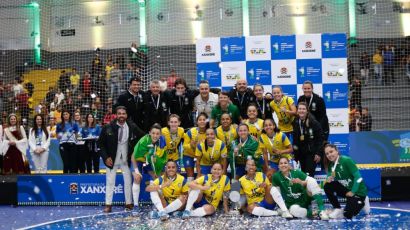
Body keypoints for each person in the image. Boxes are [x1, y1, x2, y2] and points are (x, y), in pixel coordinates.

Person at [98, 106, 144, 213]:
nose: (121, 116)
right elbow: (100, 144)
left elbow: (143, 137)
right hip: (111, 159)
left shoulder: (132, 126)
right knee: (110, 182)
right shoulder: (108, 127)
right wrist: (105, 157)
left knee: (128, 181)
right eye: (119, 113)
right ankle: (108, 205)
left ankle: (128, 203)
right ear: (116, 115)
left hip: (126, 159)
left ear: (126, 115)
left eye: (123, 113)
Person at [323, 144, 370, 219]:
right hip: (347, 190)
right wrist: (328, 178)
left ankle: (364, 200)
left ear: (337, 151)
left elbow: (358, 177)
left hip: (358, 192)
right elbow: (329, 176)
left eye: (331, 152)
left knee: (347, 215)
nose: (329, 155)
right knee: (327, 186)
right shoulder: (331, 165)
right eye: (327, 154)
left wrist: (353, 191)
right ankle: (337, 208)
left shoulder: (346, 160)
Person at [132, 123, 167, 209]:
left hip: (150, 162)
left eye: (157, 134)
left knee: (157, 179)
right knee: (137, 178)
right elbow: (133, 157)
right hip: (138, 161)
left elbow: (162, 159)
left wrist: (158, 172)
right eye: (153, 133)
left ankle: (157, 205)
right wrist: (136, 171)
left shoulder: (162, 141)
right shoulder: (144, 141)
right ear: (149, 133)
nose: (155, 135)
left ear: (160, 134)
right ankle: (135, 205)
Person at [292, 102, 324, 177]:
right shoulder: (296, 121)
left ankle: (310, 188)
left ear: (307, 110)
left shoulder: (313, 122)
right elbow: (295, 139)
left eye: (303, 109)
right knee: (303, 175)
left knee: (308, 176)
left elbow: (320, 139)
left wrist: (318, 153)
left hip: (311, 153)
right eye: (300, 109)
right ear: (297, 110)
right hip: (301, 154)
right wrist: (296, 156)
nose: (301, 111)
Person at [183, 113, 208, 182]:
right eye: (200, 120)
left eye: (204, 120)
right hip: (189, 155)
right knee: (190, 176)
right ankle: (189, 191)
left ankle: (200, 190)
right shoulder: (191, 132)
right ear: (197, 122)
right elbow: (184, 146)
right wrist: (191, 145)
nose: (202, 121)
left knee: (201, 176)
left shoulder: (209, 133)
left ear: (207, 121)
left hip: (201, 157)